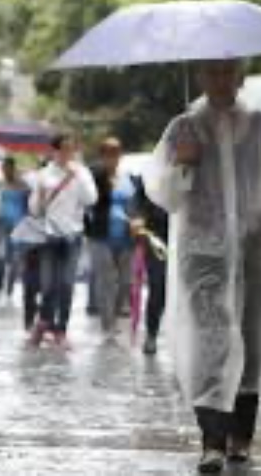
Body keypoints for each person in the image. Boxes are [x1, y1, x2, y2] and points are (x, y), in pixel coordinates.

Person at [144, 59, 261, 474]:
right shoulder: (183, 128)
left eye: (228, 71)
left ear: (240, 76)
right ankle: (212, 443)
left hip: (257, 249)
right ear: (200, 76)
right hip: (203, 253)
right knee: (211, 343)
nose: (220, 79)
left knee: (252, 342)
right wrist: (183, 164)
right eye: (212, 72)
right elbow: (163, 195)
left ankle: (241, 436)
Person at [28, 133, 98, 348]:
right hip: (49, 235)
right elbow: (34, 210)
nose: (68, 153)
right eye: (64, 148)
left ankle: (61, 330)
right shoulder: (43, 175)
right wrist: (40, 196)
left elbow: (91, 199)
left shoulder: (81, 172)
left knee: (67, 284)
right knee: (48, 285)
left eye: (71, 148)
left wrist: (76, 177)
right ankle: (44, 322)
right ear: (54, 150)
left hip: (72, 235)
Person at [85, 136, 137, 338]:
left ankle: (115, 315)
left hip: (126, 237)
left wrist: (137, 220)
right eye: (107, 154)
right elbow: (87, 201)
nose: (112, 158)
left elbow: (136, 203)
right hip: (100, 236)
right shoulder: (94, 177)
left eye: (115, 153)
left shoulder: (128, 178)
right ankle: (107, 323)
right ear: (101, 155)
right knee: (106, 279)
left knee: (125, 281)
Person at [130, 176, 169, 355]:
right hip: (157, 238)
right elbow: (136, 200)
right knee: (157, 285)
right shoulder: (152, 173)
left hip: (187, 237)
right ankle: (151, 334)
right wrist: (137, 218)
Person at [0, 156, 31, 305]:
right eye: (4, 168)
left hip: (18, 225)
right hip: (2, 224)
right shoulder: (0, 184)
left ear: (12, 168)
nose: (6, 171)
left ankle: (9, 289)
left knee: (15, 259)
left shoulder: (23, 185)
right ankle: (0, 287)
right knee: (1, 257)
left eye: (8, 168)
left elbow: (29, 206)